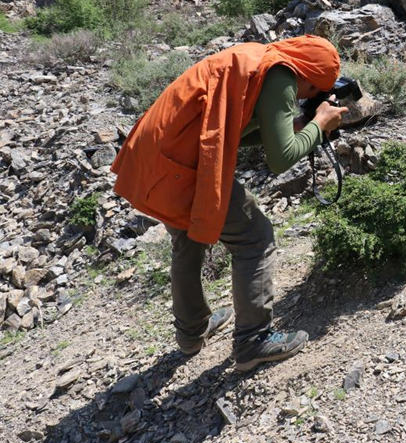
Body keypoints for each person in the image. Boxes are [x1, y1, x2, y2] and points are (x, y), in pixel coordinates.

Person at [110, 35, 348, 371]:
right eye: (310, 92)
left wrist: (290, 126)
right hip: (180, 165)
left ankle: (191, 333)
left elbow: (234, 127)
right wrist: (319, 125)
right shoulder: (281, 74)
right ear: (305, 76)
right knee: (255, 236)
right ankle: (253, 340)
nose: (305, 98)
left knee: (187, 240)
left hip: (156, 153)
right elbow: (281, 159)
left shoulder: (258, 57)